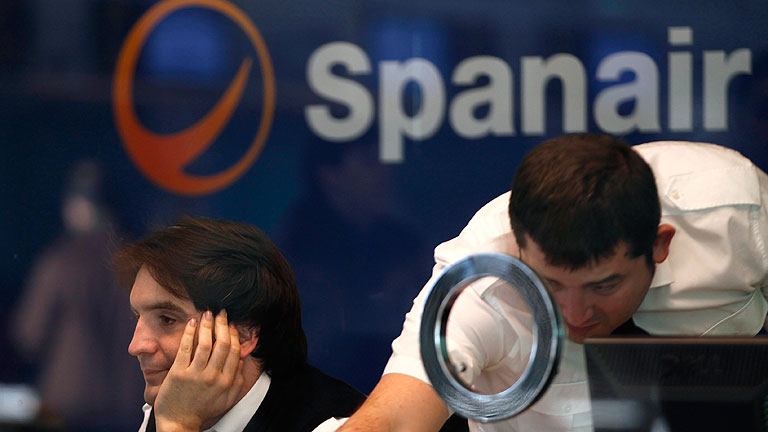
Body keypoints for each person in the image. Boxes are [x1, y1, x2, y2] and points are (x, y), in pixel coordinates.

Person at [338, 133, 768, 432]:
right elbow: (394, 418)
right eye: (551, 283)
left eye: (603, 286)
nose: (575, 314)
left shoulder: (738, 216)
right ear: (520, 249)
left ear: (659, 245)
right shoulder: (480, 283)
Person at [113, 217, 365, 432]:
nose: (136, 346)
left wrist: (177, 424)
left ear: (243, 335)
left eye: (167, 320)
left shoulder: (333, 424)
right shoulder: (170, 402)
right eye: (137, 317)